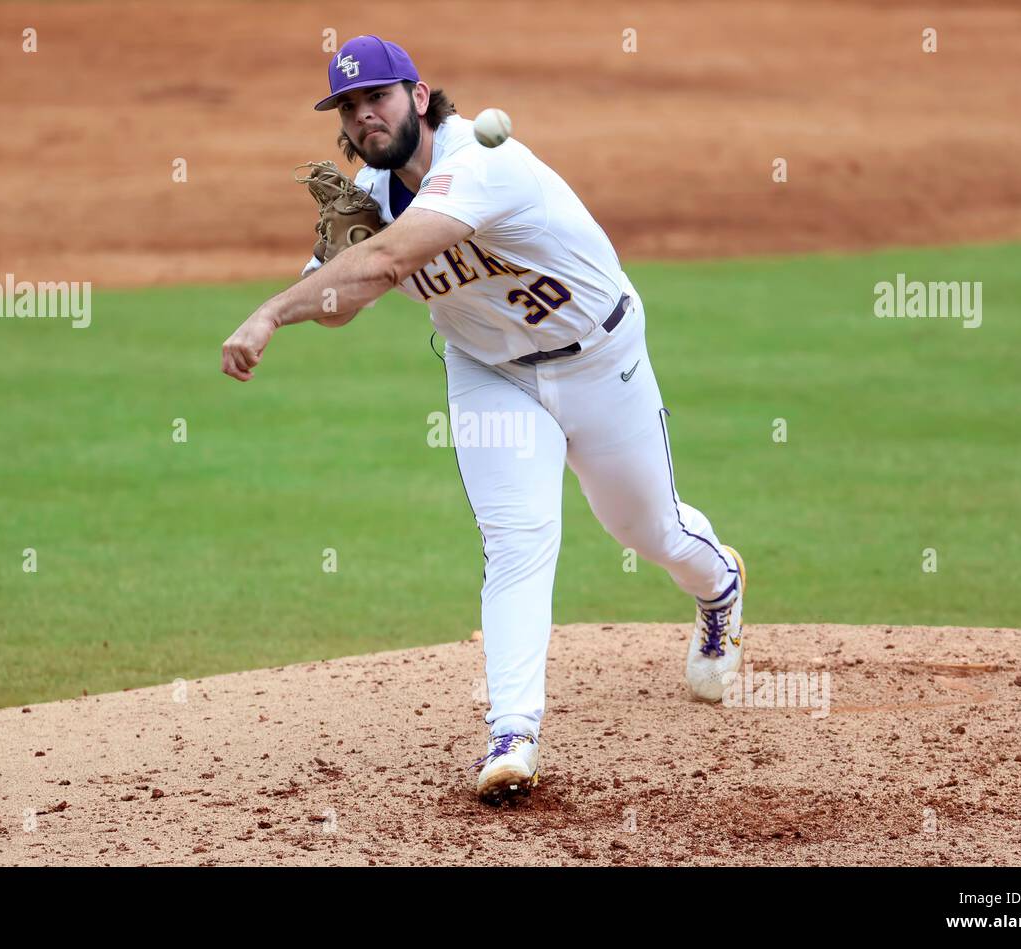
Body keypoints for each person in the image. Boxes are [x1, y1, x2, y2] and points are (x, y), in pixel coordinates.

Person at [221, 35, 747, 804]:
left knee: (647, 530)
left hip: (598, 358)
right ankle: (512, 734)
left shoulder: (482, 161)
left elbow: (386, 268)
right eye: (352, 105)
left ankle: (720, 584)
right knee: (516, 539)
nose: (368, 114)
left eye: (381, 97)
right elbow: (345, 303)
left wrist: (269, 313)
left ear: (420, 95)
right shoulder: (369, 197)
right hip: (489, 372)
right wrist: (334, 257)